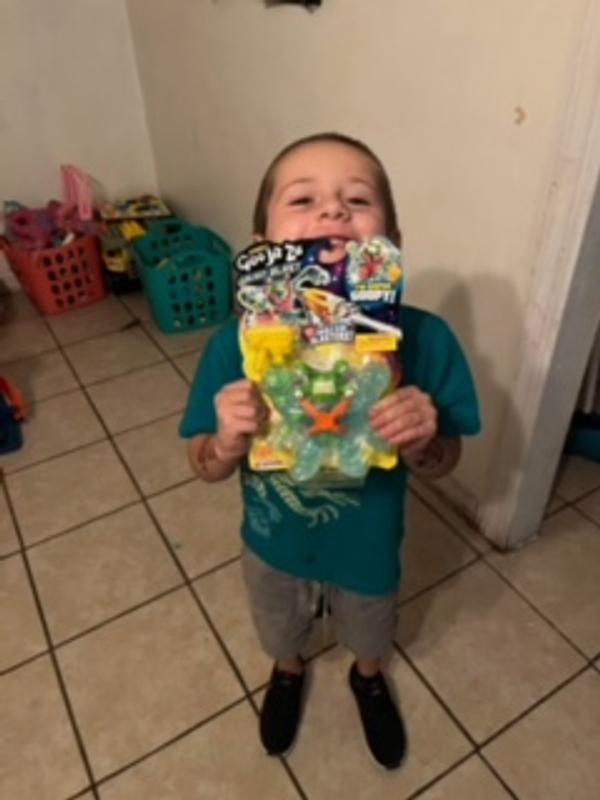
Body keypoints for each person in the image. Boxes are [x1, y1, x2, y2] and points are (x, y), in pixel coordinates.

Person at [180, 132, 480, 769]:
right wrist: (227, 441)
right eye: (303, 199)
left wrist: (424, 439)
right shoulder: (232, 347)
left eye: (358, 200)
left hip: (368, 544)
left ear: (391, 240)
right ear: (261, 244)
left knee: (371, 627)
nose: (333, 210)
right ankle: (288, 670)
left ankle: (367, 677)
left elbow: (446, 460)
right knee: (277, 623)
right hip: (273, 540)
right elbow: (203, 465)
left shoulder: (425, 341)